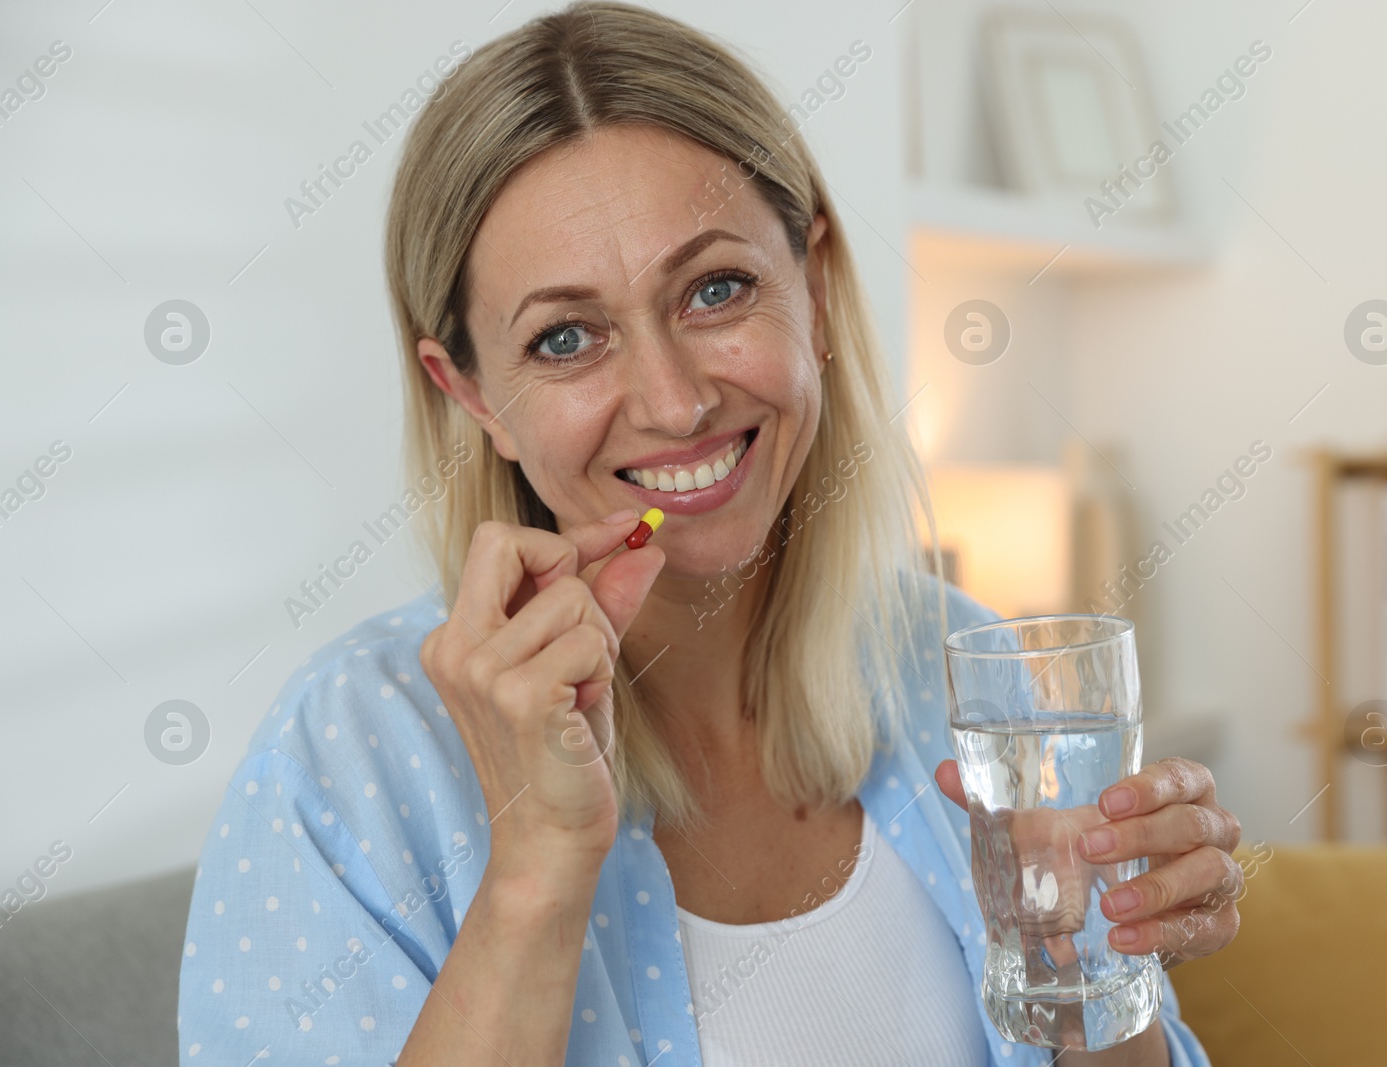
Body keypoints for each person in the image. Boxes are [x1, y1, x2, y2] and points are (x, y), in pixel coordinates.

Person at [177, 4, 1242, 1064]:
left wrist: (1102, 970)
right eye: (565, 337)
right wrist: (537, 871)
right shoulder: (345, 758)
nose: (675, 400)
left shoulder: (963, 669)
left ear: (814, 292)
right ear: (474, 397)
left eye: (716, 289)